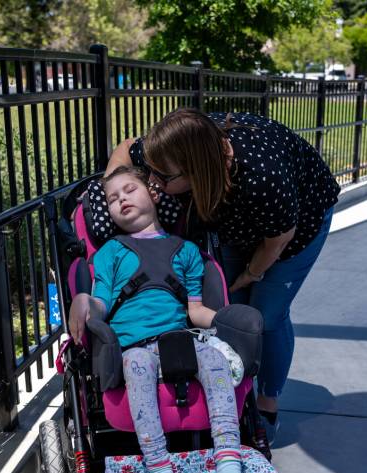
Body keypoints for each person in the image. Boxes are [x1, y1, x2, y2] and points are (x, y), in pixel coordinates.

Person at [104, 109, 339, 440]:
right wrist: (111, 198)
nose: (153, 182)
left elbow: (279, 238)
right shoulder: (175, 150)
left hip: (294, 227)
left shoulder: (262, 177)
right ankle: (235, 398)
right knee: (230, 310)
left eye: (163, 178)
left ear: (195, 171)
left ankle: (267, 405)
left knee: (266, 315)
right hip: (234, 217)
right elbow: (126, 149)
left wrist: (251, 273)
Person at [67, 166, 261, 473]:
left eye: (129, 190)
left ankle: (228, 464)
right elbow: (102, 304)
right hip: (133, 347)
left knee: (215, 362)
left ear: (153, 195)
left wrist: (226, 323)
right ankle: (159, 471)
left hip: (181, 340)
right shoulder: (110, 253)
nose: (122, 199)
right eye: (112, 198)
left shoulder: (185, 251)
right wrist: (84, 301)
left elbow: (197, 310)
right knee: (138, 365)